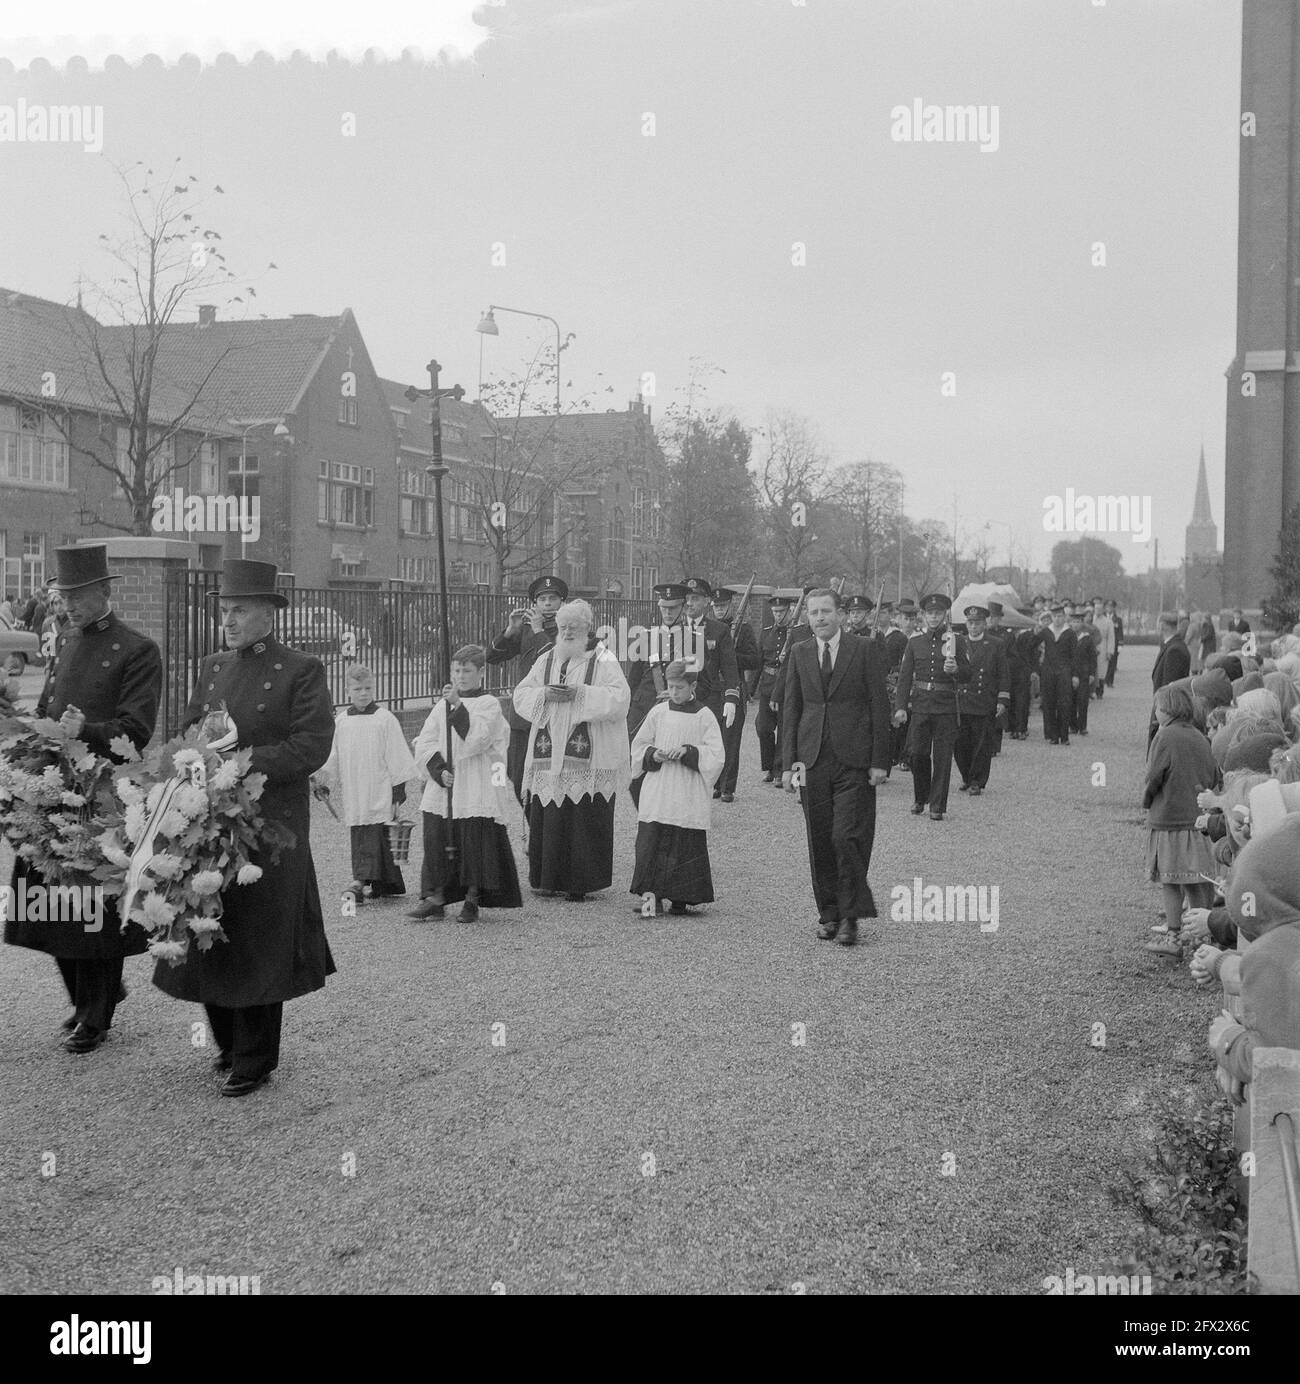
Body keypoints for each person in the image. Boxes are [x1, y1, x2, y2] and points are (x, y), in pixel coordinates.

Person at [152, 559, 335, 1098]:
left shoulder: (301, 669)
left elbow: (311, 745)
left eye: (239, 611)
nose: (228, 621)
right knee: (211, 922)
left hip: (270, 825)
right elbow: (185, 729)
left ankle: (255, 1058)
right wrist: (191, 761)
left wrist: (244, 763)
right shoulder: (211, 667)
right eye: (224, 611)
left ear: (268, 614)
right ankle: (227, 1045)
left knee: (259, 934)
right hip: (209, 819)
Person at [3, 545, 162, 1054]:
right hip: (54, 790)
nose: (67, 605)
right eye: (62, 595)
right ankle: (92, 995)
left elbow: (136, 732)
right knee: (49, 904)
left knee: (92, 908)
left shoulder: (138, 649)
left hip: (101, 796)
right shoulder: (67, 642)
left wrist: (86, 730)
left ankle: (95, 1016)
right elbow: (49, 708)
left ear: (104, 592)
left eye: (76, 595)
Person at [781, 588, 891, 946]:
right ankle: (828, 913)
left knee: (847, 836)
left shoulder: (864, 650)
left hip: (854, 761)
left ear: (841, 615)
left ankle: (850, 917)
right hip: (811, 759)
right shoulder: (798, 652)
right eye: (813, 613)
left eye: (826, 612)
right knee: (820, 840)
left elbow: (878, 706)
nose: (819, 618)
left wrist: (879, 761)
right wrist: (787, 765)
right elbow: (792, 709)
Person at [514, 599, 630, 901]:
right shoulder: (548, 659)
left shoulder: (603, 658)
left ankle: (580, 883)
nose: (567, 632)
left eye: (573, 628)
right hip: (549, 750)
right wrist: (545, 694)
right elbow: (521, 695)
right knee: (550, 814)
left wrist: (581, 694)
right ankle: (547, 880)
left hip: (588, 755)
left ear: (587, 628)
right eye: (563, 627)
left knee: (581, 816)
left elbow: (620, 699)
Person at [409, 644, 522, 923]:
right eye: (457, 670)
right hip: (445, 784)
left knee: (473, 841)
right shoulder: (441, 705)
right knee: (437, 839)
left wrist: (458, 706)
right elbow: (426, 740)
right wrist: (438, 769)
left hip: (475, 783)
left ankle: (472, 898)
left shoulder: (489, 704)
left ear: (481, 672)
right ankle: (435, 898)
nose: (461, 676)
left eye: (467, 671)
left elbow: (478, 740)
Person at [629, 659, 724, 916]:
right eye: (670, 687)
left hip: (687, 789)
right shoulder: (658, 713)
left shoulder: (704, 716)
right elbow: (639, 745)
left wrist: (689, 752)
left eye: (679, 688)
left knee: (685, 841)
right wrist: (653, 754)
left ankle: (682, 897)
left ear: (692, 686)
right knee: (652, 839)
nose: (673, 693)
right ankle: (651, 897)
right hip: (659, 787)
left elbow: (716, 755)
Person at [316, 663, 416, 904]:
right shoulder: (341, 722)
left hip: (379, 785)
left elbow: (397, 755)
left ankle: (359, 882)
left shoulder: (384, 719)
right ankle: (383, 882)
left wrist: (397, 790)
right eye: (358, 688)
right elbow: (333, 756)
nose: (363, 693)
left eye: (368, 688)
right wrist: (324, 782)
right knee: (361, 830)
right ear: (347, 690)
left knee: (378, 832)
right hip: (354, 787)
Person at [1143, 683, 1219, 956]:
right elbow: (1214, 776)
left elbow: (1154, 776)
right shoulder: (1201, 737)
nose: (1156, 713)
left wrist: (1147, 800)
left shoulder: (1164, 737)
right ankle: (1203, 937)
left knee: (1171, 880)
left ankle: (1174, 936)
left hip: (1169, 818)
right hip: (1197, 820)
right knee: (1196, 881)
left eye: (1158, 707)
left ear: (1169, 709)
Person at [484, 574, 567, 804]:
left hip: (552, 717)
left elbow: (556, 663)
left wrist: (540, 631)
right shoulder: (526, 629)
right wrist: (510, 630)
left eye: (552, 598)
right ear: (535, 604)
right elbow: (491, 657)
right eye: (542, 599)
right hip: (523, 716)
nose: (547, 603)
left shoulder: (567, 630)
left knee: (549, 779)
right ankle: (534, 827)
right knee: (518, 776)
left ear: (562, 602)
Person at [893, 593, 971, 820]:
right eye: (929, 613)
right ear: (924, 615)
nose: (933, 617)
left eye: (938, 613)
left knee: (943, 757)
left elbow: (968, 674)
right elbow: (905, 677)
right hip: (921, 705)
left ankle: (937, 805)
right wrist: (900, 706)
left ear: (945, 614)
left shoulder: (957, 641)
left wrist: (956, 669)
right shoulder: (915, 643)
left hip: (946, 706)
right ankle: (920, 796)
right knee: (917, 754)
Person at [681, 578, 740, 777]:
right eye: (687, 598)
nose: (689, 603)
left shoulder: (719, 630)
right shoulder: (673, 629)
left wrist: (731, 698)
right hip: (678, 698)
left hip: (708, 699)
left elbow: (730, 668)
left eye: (695, 598)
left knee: (706, 749)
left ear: (707, 601)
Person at [709, 583, 760, 802]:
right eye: (716, 607)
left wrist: (729, 655)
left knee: (730, 739)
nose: (720, 610)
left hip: (733, 687)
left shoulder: (744, 629)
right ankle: (714, 783)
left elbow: (754, 659)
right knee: (712, 739)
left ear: (730, 606)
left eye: (723, 606)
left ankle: (728, 787)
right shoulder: (708, 628)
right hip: (712, 690)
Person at [626, 582, 695, 740]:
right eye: (664, 608)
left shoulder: (693, 640)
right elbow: (634, 679)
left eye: (673, 608)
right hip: (643, 709)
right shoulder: (647, 637)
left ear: (683, 608)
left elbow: (699, 682)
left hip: (677, 708)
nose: (668, 613)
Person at [954, 605, 1009, 796]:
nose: (974, 626)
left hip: (984, 699)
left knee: (981, 744)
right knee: (960, 744)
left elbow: (1003, 673)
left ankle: (977, 780)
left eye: (977, 623)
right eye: (970, 622)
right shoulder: (958, 642)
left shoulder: (996, 644)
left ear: (984, 624)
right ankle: (966, 776)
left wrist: (1002, 698)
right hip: (962, 700)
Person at [754, 589, 799, 783]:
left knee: (784, 729)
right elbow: (758, 662)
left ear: (789, 611)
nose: (778, 615)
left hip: (787, 686)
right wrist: (750, 689)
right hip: (767, 685)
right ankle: (769, 765)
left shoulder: (797, 633)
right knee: (763, 727)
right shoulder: (766, 634)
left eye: (782, 612)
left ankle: (780, 770)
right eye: (775, 612)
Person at [1028, 601, 1078, 746]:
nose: (1058, 619)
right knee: (1049, 703)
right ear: (1052, 617)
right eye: (1055, 616)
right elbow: (1031, 646)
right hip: (1048, 671)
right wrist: (1035, 667)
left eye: (1061, 616)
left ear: (1064, 617)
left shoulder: (1070, 633)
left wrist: (1075, 675)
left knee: (1064, 703)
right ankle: (1052, 735)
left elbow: (1075, 656)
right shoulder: (1045, 631)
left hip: (1064, 672)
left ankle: (1064, 736)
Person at [884, 599, 913, 766]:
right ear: (899, 618)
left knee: (907, 721)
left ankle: (905, 755)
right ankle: (895, 754)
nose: (908, 623)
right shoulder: (893, 637)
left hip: (908, 682)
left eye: (911, 619)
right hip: (892, 683)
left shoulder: (915, 637)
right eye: (905, 618)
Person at [1068, 606, 1097, 735]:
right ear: (1070, 623)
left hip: (1084, 673)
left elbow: (1093, 657)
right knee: (1071, 700)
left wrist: (1092, 673)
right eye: (1073, 622)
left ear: (1082, 623)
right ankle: (1072, 725)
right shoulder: (1067, 637)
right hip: (1069, 673)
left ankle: (1082, 726)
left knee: (1083, 700)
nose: (1076, 624)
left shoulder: (1087, 638)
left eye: (1078, 622)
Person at [1089, 598, 1115, 699]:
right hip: (1092, 645)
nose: (1098, 611)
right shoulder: (1091, 620)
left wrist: (1110, 651)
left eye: (1100, 609)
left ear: (1103, 609)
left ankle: (1100, 691)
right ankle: (1091, 690)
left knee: (1101, 670)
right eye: (1096, 609)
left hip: (1103, 646)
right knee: (1092, 668)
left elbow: (1111, 637)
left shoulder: (1108, 622)